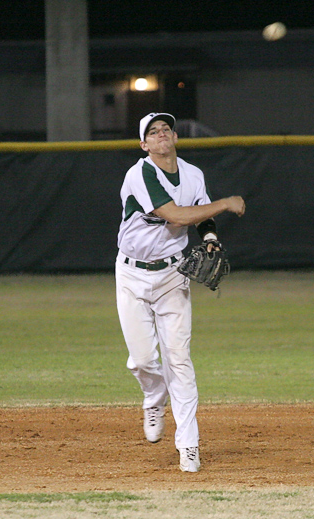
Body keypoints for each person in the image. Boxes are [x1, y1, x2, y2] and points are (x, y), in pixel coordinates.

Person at [115, 112, 246, 472]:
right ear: (144, 144)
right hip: (132, 275)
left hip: (173, 274)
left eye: (166, 129)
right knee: (142, 359)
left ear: (174, 137)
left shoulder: (192, 174)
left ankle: (189, 444)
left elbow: (200, 214)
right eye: (153, 132)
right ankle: (154, 397)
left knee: (179, 360)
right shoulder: (140, 173)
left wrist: (211, 236)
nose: (161, 135)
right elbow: (174, 215)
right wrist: (226, 202)